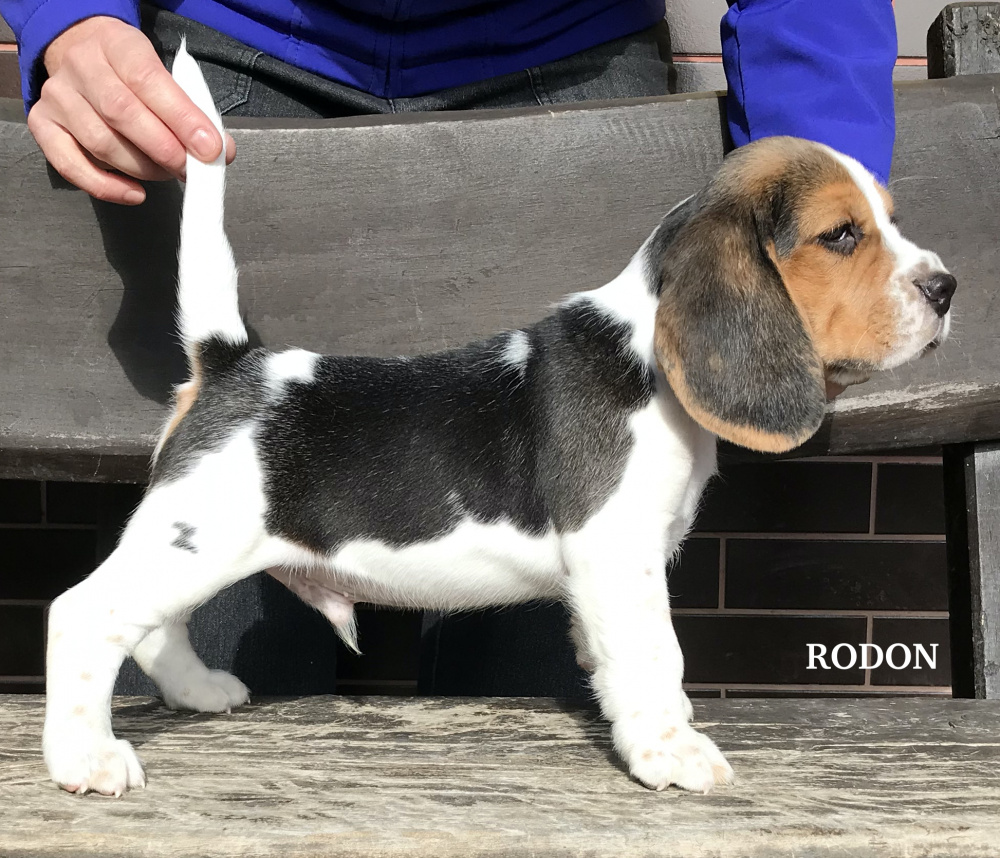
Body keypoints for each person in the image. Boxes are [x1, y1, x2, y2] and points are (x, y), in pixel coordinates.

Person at [0, 0, 899, 695]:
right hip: (241, 55)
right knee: (209, 701)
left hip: (569, 59)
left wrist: (828, 202)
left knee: (541, 732)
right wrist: (69, 14)